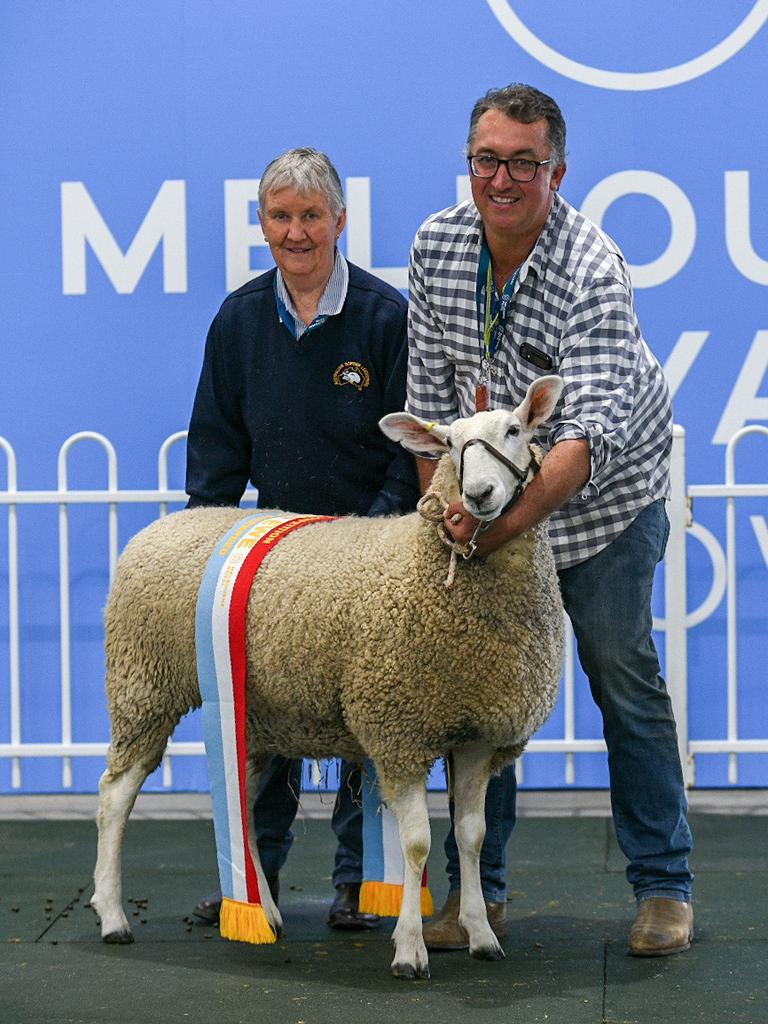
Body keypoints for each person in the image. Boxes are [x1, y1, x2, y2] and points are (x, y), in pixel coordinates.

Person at [407, 84, 694, 957]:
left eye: (523, 163)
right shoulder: (434, 247)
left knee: (620, 672)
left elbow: (583, 444)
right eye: (487, 159)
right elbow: (426, 405)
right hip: (487, 500)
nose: (501, 178)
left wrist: (495, 532)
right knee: (476, 698)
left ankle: (665, 890)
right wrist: (443, 517)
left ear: (557, 172)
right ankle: (474, 901)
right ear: (469, 164)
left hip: (602, 503)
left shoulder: (593, 267)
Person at [185, 147, 419, 929]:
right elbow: (216, 445)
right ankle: (254, 879)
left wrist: (371, 533)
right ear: (261, 224)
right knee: (266, 725)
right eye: (280, 216)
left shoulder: (386, 318)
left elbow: (408, 451)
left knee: (368, 722)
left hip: (369, 559)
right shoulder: (239, 319)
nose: (296, 232)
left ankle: (362, 884)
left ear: (340, 221)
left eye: (310, 216)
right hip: (274, 563)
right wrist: (202, 544)